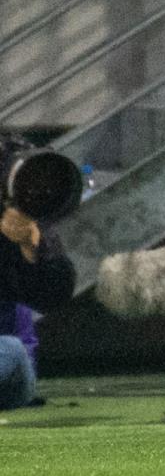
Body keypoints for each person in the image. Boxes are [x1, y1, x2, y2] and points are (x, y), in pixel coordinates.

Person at [0, 176, 75, 412]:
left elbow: (54, 293)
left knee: (12, 349)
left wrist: (30, 247)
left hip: (11, 366)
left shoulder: (18, 223)